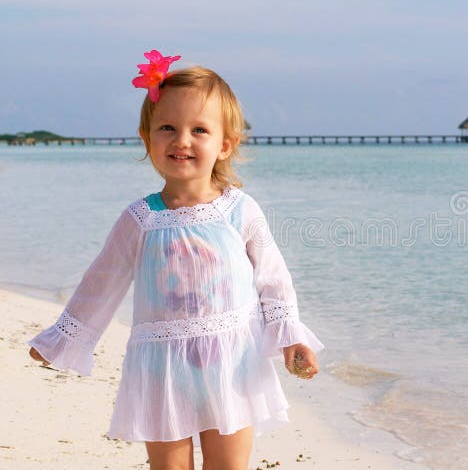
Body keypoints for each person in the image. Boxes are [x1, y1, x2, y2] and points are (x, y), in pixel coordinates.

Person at [27, 50, 323, 470]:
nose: (182, 140)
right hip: (160, 367)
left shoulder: (240, 210)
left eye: (198, 129)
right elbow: (102, 281)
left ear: (225, 145)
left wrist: (291, 336)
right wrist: (64, 338)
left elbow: (273, 280)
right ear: (148, 139)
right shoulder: (140, 219)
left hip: (231, 362)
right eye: (167, 127)